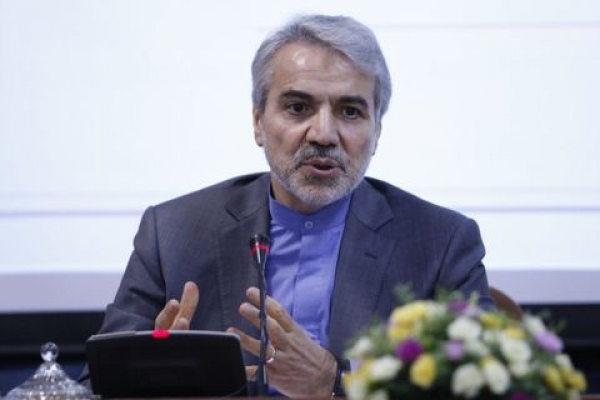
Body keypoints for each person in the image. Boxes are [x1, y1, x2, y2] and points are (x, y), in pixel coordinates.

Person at [88, 13, 493, 398]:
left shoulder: (440, 242)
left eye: (350, 112)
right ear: (258, 122)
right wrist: (149, 374)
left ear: (377, 132)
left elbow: (487, 387)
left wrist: (335, 383)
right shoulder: (173, 231)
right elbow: (94, 384)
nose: (324, 134)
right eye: (298, 107)